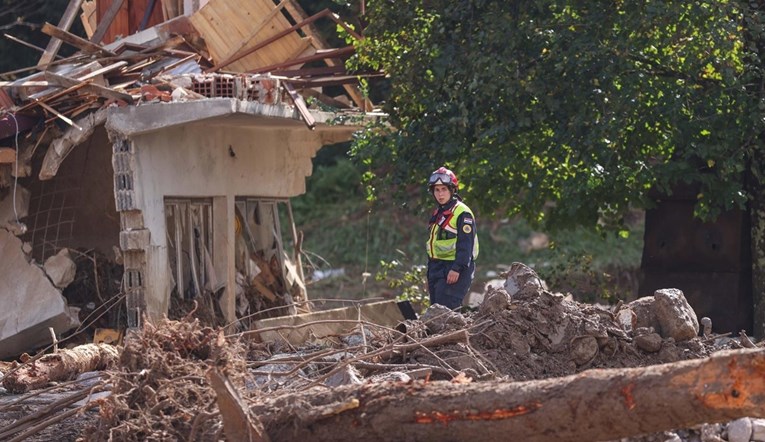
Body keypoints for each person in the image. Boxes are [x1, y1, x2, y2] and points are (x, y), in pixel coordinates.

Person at [425, 166, 479, 309]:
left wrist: (457, 268)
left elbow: (465, 245)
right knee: (435, 313)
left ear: (452, 190)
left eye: (443, 189)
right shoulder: (440, 212)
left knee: (446, 314)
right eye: (437, 190)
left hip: (455, 268)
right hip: (437, 267)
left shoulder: (462, 212)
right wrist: (430, 274)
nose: (440, 194)